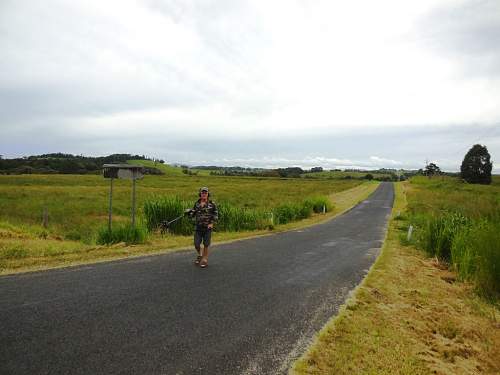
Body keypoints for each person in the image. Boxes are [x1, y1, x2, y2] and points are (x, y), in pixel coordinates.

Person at [186, 187, 218, 268]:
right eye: (202, 193)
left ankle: (205, 260)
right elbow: (193, 214)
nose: (204, 194)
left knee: (206, 244)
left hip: (207, 228)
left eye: (205, 193)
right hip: (198, 227)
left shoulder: (212, 204)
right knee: (196, 244)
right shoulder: (196, 203)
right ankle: (200, 255)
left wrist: (211, 223)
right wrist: (188, 212)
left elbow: (216, 215)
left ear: (208, 194)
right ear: (200, 194)